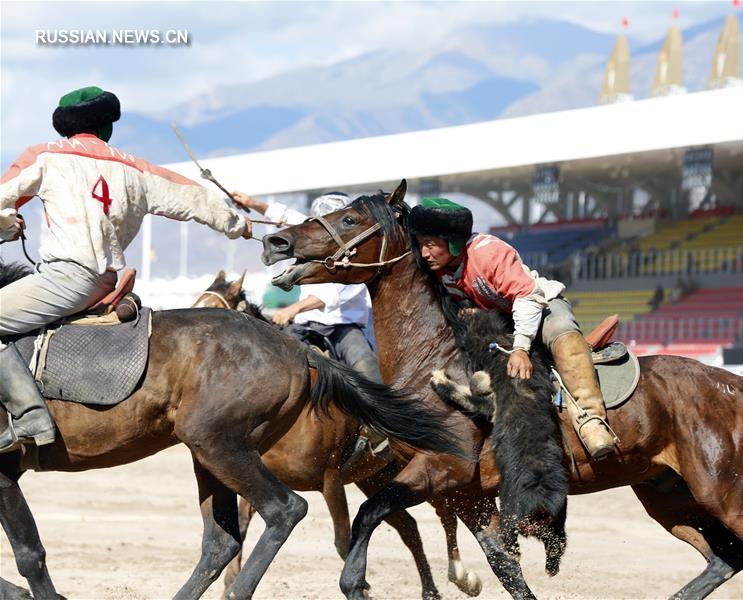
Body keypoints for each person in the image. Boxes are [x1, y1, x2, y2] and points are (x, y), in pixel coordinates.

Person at [0, 87, 253, 453]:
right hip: (107, 282)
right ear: (107, 128)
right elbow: (193, 198)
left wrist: (8, 225)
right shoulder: (137, 169)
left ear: (66, 127)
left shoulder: (45, 157)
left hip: (64, 279)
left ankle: (28, 416)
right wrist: (237, 225)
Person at [407, 197, 616, 459]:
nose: (424, 253)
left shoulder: (489, 253)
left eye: (430, 244)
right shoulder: (442, 269)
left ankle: (592, 420)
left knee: (564, 333)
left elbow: (527, 296)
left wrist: (520, 349)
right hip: (503, 317)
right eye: (420, 245)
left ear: (453, 241)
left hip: (541, 305)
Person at [231, 190, 387, 456]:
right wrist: (250, 203)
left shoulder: (357, 252)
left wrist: (293, 308)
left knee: (366, 364)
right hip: (305, 325)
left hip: (343, 328)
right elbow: (286, 217)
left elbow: (332, 296)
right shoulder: (317, 238)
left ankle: (381, 430)